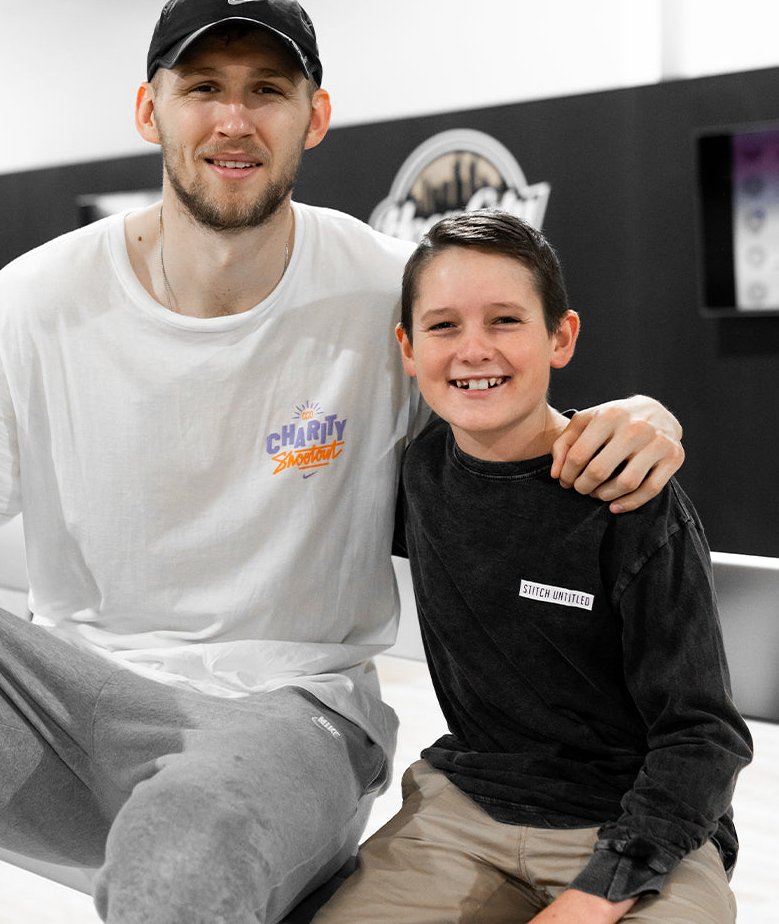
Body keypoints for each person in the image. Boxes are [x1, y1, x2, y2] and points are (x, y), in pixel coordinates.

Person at [0, 0, 685, 924]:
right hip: (66, 708)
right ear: (149, 109)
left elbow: (517, 431)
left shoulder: (384, 292)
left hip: (289, 711)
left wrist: (643, 418)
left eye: (267, 90)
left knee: (183, 850)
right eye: (203, 87)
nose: (233, 118)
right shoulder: (33, 300)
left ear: (315, 116)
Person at [312, 209, 753, 924]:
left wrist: (602, 889)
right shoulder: (414, 473)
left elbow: (705, 736)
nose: (473, 349)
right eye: (444, 325)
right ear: (408, 347)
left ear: (562, 337)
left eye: (506, 321)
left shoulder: (629, 493)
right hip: (463, 808)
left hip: (640, 822)